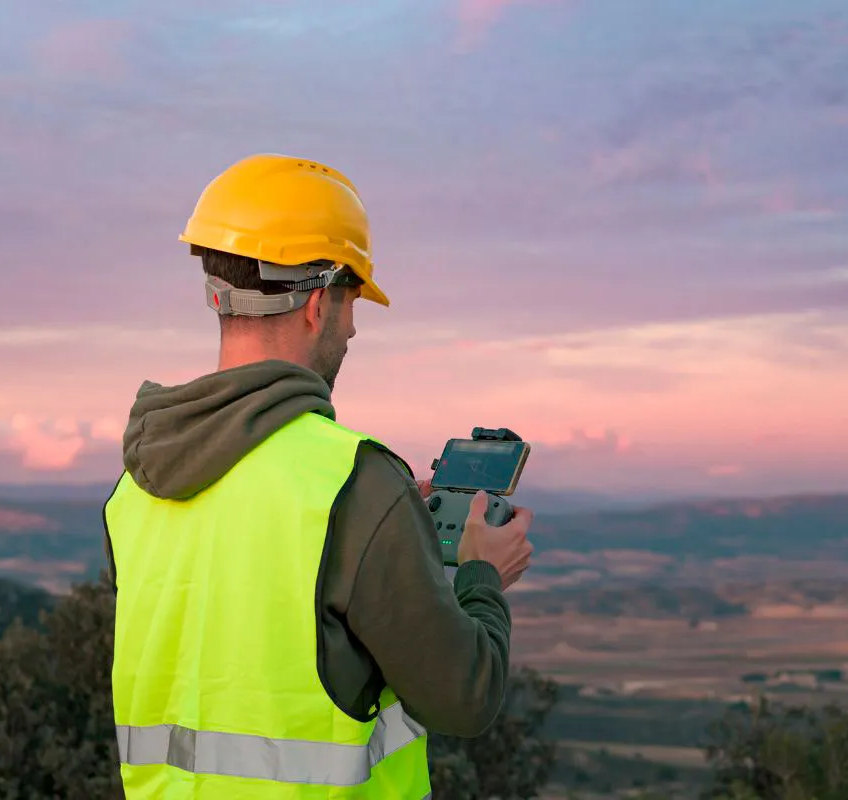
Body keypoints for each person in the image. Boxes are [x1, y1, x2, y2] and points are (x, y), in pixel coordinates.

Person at [101, 153, 535, 799]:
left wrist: (385, 534)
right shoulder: (356, 483)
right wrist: (480, 575)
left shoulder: (136, 483)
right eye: (353, 298)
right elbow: (464, 698)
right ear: (316, 302)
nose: (355, 325)